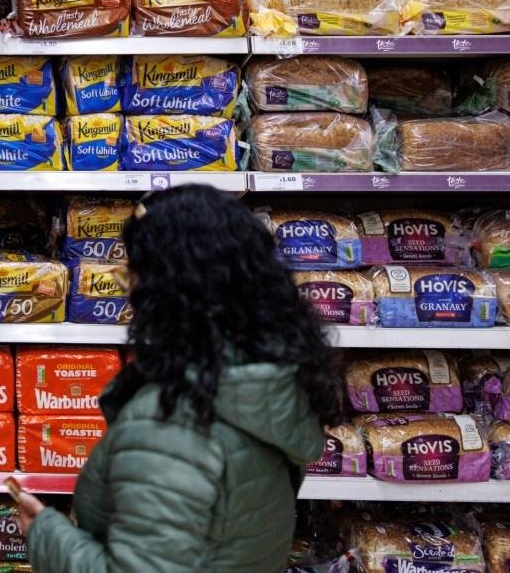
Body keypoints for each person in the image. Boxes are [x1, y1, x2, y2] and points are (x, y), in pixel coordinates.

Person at [20, 185, 343, 572]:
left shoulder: (173, 422)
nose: (129, 293)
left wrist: (45, 534)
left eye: (133, 275)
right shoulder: (272, 386)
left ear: (166, 289)